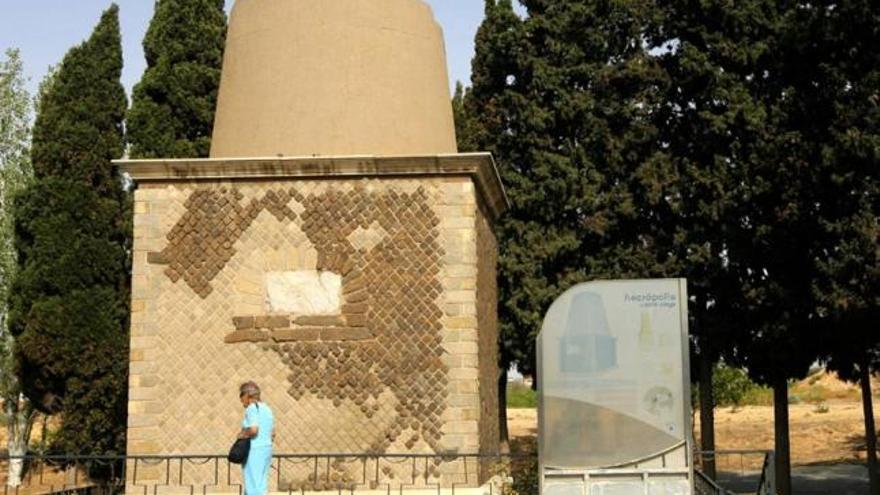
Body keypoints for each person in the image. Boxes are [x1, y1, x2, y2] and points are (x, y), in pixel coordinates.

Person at [238, 381, 274, 495]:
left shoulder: (252, 408)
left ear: (248, 395)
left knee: (253, 485)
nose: (240, 399)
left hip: (254, 450)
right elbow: (272, 433)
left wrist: (241, 434)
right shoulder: (267, 409)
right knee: (260, 484)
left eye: (241, 395)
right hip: (266, 449)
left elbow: (254, 430)